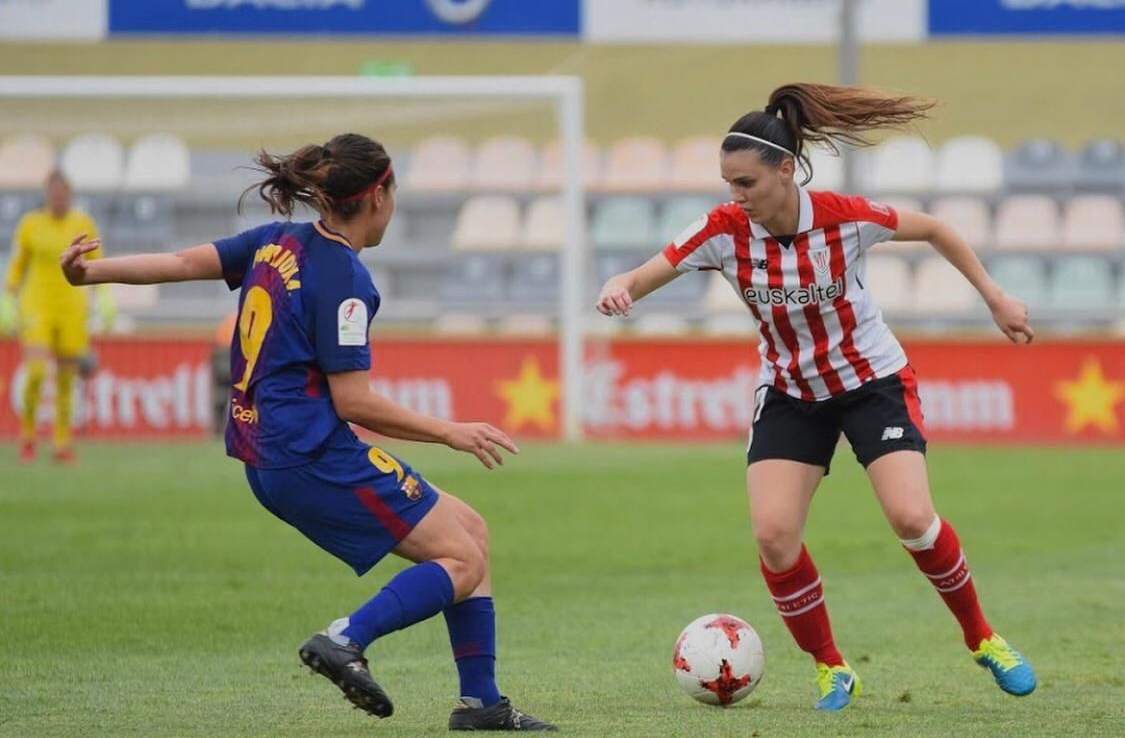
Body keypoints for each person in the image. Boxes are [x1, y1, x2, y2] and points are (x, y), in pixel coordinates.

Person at [59, 133, 556, 731]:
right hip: (310, 456)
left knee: (470, 530)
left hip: (267, 457)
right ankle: (346, 638)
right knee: (461, 561)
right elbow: (354, 401)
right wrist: (449, 431)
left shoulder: (276, 242)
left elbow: (184, 262)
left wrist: (90, 274)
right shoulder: (344, 277)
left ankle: (482, 705)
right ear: (377, 197)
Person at [596, 84, 1037, 712]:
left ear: (784, 170)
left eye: (745, 182)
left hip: (871, 384)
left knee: (912, 518)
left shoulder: (843, 216)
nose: (735, 196)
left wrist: (994, 297)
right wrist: (619, 287)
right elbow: (641, 275)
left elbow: (936, 227)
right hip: (790, 392)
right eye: (728, 183)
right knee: (774, 537)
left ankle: (983, 637)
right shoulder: (721, 230)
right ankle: (831, 668)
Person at [2, 170, 115, 463]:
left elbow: (97, 262)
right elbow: (17, 264)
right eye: (54, 193)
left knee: (66, 379)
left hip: (72, 308)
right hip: (37, 305)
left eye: (63, 193)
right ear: (46, 195)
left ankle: (61, 444)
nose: (58, 198)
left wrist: (104, 297)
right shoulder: (30, 225)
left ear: (70, 195)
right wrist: (8, 296)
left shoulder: (82, 223)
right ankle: (27, 437)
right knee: (37, 372)